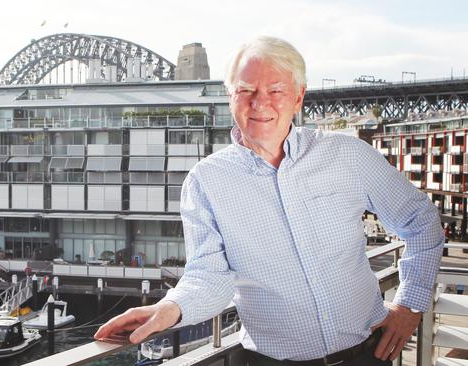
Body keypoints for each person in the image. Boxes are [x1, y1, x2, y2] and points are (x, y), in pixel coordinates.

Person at [95, 36, 445, 366]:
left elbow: (420, 221)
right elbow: (209, 275)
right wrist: (170, 308)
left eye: (275, 90)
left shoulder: (348, 156)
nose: (259, 103)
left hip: (367, 354)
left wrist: (410, 305)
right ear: (230, 96)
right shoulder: (206, 182)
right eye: (246, 90)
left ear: (298, 97)